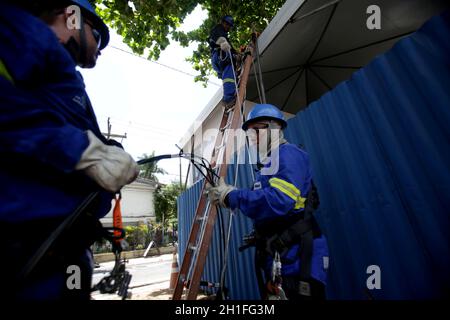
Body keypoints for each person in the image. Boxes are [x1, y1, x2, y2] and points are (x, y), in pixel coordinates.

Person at [0, 0, 138, 300]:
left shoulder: (65, 80)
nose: (99, 50)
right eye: (97, 36)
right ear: (71, 16)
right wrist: (85, 151)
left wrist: (107, 151)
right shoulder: (23, 34)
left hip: (64, 250)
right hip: (26, 249)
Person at [205, 104, 329, 300]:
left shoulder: (289, 154)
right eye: (249, 132)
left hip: (299, 261)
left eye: (258, 128)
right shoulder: (269, 165)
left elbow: (280, 200)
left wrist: (231, 197)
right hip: (282, 259)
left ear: (275, 128)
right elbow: (264, 200)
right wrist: (233, 194)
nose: (252, 136)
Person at [208, 15, 238, 109]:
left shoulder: (225, 35)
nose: (228, 27)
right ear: (222, 22)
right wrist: (222, 42)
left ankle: (228, 95)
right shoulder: (218, 29)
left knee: (229, 75)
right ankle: (228, 99)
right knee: (230, 68)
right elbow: (216, 35)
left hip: (218, 61)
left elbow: (231, 48)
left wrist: (237, 53)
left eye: (229, 25)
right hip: (219, 57)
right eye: (226, 24)